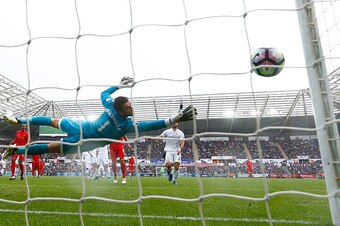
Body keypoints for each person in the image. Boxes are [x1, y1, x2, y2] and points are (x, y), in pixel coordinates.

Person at [3, 77, 196, 158]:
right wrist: (173, 119)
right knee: (49, 145)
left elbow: (104, 94)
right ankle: (15, 148)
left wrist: (118, 86)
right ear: (122, 108)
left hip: (80, 129)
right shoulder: (125, 125)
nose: (132, 106)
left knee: (51, 125)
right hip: (84, 142)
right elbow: (149, 126)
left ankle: (19, 122)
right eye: (129, 104)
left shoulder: (113, 109)